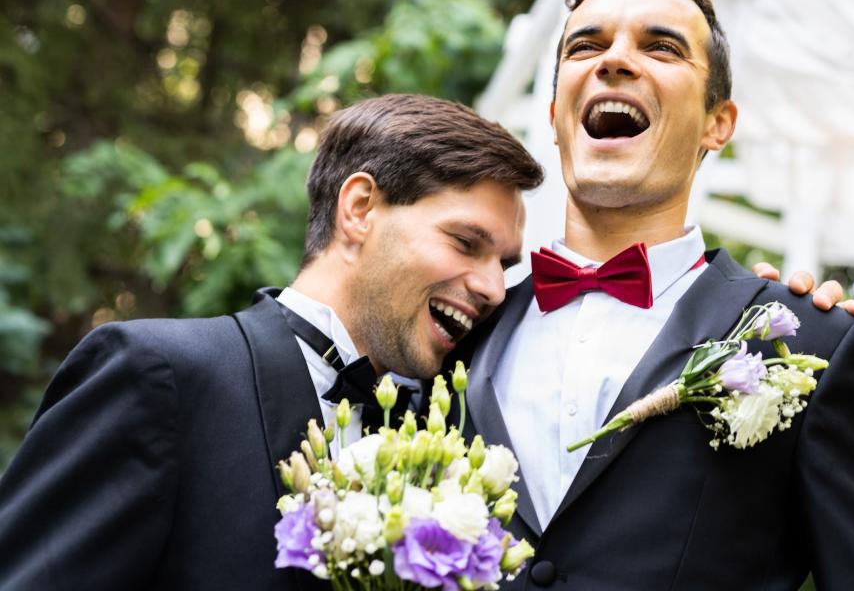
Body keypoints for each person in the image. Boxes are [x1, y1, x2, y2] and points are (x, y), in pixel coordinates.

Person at [456, 0, 854, 590]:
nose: (615, 60)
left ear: (718, 124)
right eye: (586, 45)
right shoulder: (456, 334)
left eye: (661, 46)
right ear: (553, 117)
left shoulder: (803, 345)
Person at [0, 94, 543, 591]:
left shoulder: (438, 441)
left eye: (504, 263)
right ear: (359, 209)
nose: (495, 288)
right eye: (466, 242)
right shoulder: (157, 375)